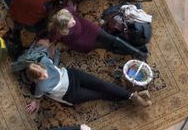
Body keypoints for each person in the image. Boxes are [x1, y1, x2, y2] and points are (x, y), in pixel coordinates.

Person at [12, 41, 143, 110]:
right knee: (99, 94)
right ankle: (128, 99)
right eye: (41, 76)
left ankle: (132, 96)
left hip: (72, 75)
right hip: (71, 93)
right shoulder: (41, 86)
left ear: (42, 66)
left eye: (43, 71)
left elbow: (50, 56)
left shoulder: (44, 61)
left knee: (101, 84)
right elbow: (37, 97)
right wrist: (36, 103)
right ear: (36, 80)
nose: (45, 75)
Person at [43, 7, 146, 58]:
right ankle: (135, 52)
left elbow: (72, 8)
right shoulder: (56, 31)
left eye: (72, 19)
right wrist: (50, 49)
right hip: (81, 42)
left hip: (87, 27)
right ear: (64, 27)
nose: (74, 21)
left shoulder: (67, 11)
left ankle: (137, 52)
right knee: (108, 46)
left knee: (113, 39)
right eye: (71, 24)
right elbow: (51, 41)